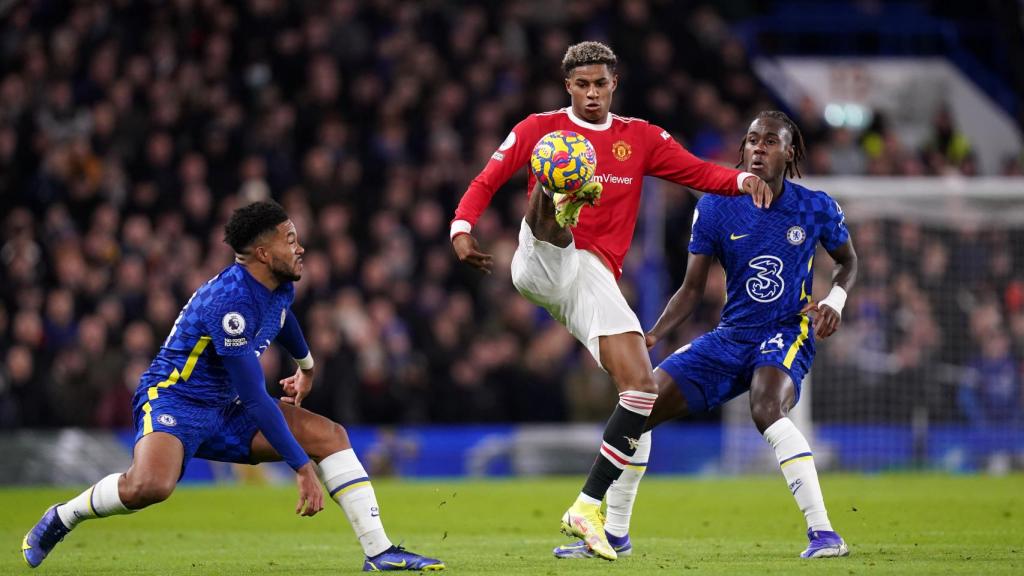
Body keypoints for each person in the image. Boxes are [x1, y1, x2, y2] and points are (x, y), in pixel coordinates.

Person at [450, 41, 773, 561]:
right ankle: (559, 197)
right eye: (582, 85)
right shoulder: (539, 128)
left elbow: (696, 172)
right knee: (556, 200)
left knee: (640, 390)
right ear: (568, 87)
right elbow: (487, 178)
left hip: (594, 276)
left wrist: (744, 180)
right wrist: (462, 228)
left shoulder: (639, 138)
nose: (592, 93)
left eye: (600, 83)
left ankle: (599, 517)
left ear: (614, 83)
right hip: (542, 261)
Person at [21, 201, 444, 572]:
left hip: (226, 408)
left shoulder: (277, 284)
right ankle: (62, 517)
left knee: (331, 436)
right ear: (263, 252)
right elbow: (256, 396)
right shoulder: (230, 303)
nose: (300, 247)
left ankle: (380, 552)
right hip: (176, 399)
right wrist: (301, 468)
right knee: (150, 486)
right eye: (290, 239)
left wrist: (307, 366)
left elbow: (283, 319)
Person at [567, 110, 857, 559]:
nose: (759, 148)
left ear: (789, 151)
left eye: (770, 141)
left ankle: (825, 534)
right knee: (639, 407)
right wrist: (653, 334)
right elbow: (691, 289)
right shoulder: (716, 206)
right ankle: (617, 536)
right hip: (730, 336)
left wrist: (834, 302)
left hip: (785, 330)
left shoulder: (815, 206)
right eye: (752, 140)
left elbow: (848, 261)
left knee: (765, 406)